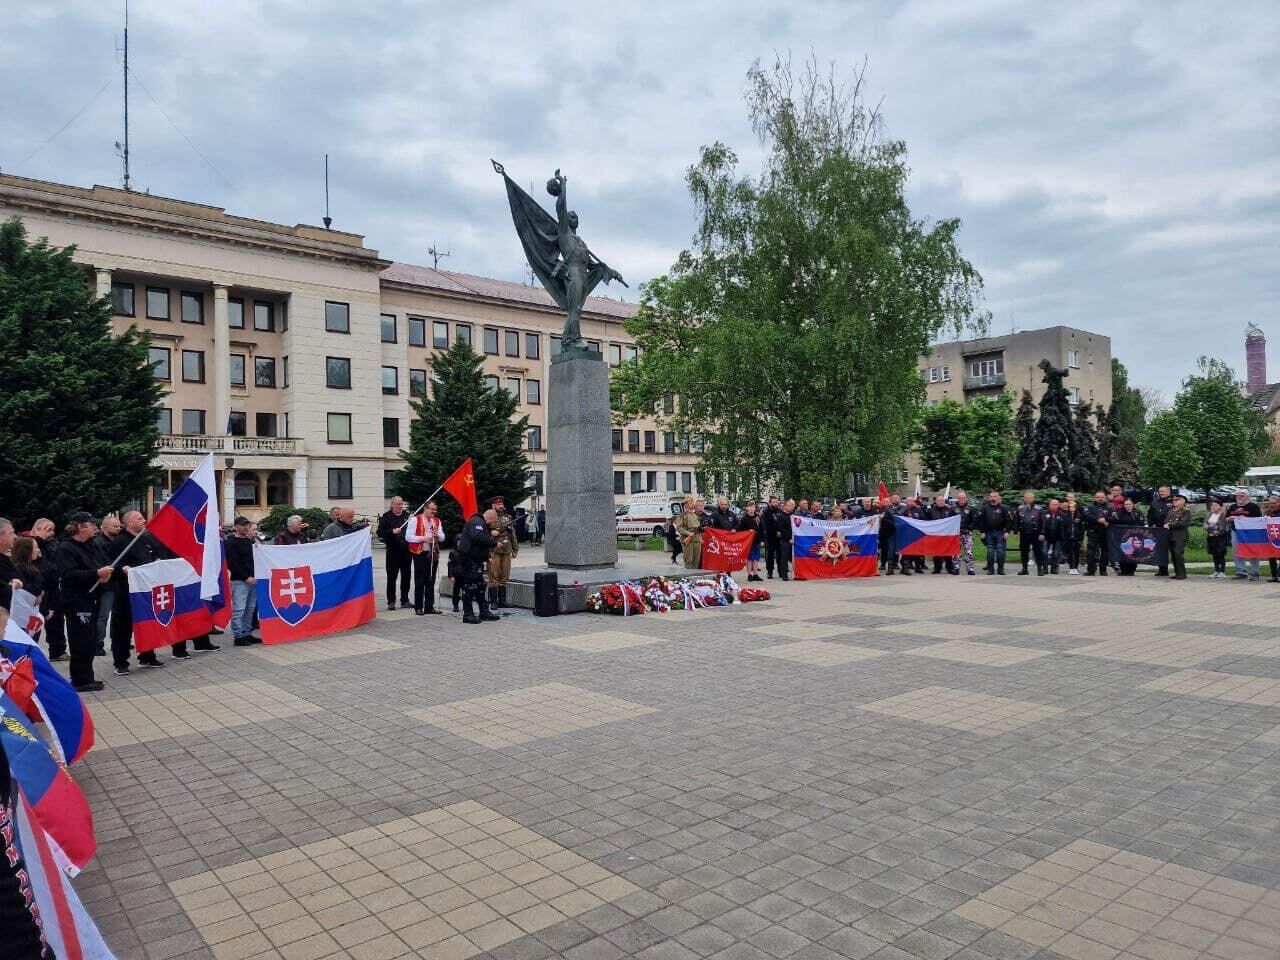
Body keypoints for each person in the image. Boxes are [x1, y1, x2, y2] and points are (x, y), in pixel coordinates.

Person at [56, 512, 112, 691]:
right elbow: (69, 575)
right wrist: (95, 573)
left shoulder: (90, 545)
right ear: (80, 527)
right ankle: (80, 680)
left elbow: (99, 564)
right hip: (76, 601)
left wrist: (103, 575)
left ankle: (87, 677)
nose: (95, 528)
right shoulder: (66, 548)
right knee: (80, 640)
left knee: (89, 640)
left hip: (91, 597)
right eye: (91, 524)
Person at [456, 508, 501, 624]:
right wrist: (494, 543)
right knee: (470, 586)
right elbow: (478, 537)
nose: (491, 524)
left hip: (476, 559)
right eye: (492, 521)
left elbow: (478, 544)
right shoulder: (477, 521)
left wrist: (486, 557)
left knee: (480, 586)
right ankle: (468, 614)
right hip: (469, 559)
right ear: (490, 518)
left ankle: (484, 611)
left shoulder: (481, 523)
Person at [29, 518, 65, 660]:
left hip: (53, 586)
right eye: (48, 529)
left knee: (57, 619)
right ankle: (30, 653)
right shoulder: (30, 543)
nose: (52, 533)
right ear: (37, 529)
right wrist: (39, 539)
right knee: (36, 622)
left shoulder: (53, 543)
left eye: (53, 529)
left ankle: (58, 650)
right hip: (38, 588)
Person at [405, 501, 445, 615]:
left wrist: (438, 535)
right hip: (419, 553)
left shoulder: (437, 521)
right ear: (425, 508)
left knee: (430, 580)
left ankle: (429, 606)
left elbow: (442, 537)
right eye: (431, 509)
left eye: (435, 510)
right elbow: (408, 537)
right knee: (420, 580)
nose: (433, 512)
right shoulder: (415, 519)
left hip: (432, 553)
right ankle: (418, 607)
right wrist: (423, 538)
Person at [92, 513, 124, 654]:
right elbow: (102, 563)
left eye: (119, 525)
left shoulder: (118, 541)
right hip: (107, 585)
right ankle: (98, 644)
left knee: (119, 614)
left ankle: (118, 641)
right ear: (104, 527)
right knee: (103, 615)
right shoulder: (98, 543)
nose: (118, 528)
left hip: (118, 583)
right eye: (115, 526)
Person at [226, 517, 261, 645]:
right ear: (236, 526)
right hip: (239, 581)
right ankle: (238, 636)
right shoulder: (231, 542)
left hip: (252, 580)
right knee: (239, 609)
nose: (246, 528)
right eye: (243, 525)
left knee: (250, 609)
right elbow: (232, 564)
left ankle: (247, 632)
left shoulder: (248, 541)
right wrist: (246, 577)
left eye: (247, 525)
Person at [376, 496, 413, 610]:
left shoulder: (407, 516)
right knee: (392, 577)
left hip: (406, 550)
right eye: (397, 504)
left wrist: (413, 521)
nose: (400, 506)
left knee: (406, 576)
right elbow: (379, 532)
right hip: (393, 551)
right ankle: (391, 601)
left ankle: (405, 600)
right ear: (392, 505)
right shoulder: (386, 517)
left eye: (401, 504)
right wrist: (392, 531)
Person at [485, 496, 518, 609]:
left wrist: (515, 548)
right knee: (494, 576)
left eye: (501, 503)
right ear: (493, 505)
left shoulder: (507, 518)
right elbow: (482, 533)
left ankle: (502, 601)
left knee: (504, 576)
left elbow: (512, 534)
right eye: (498, 504)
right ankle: (493, 601)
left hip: (506, 549)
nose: (501, 505)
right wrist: (491, 532)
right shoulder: (488, 517)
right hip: (493, 550)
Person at [1225, 490, 1262, 581]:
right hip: (1235, 531)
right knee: (1237, 551)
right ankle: (1241, 572)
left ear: (1247, 496)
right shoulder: (1233, 506)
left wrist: (1245, 519)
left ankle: (1255, 573)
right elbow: (1226, 518)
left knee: (1252, 551)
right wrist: (1230, 518)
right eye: (1238, 495)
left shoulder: (1253, 507)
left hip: (1249, 532)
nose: (1239, 497)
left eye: (1242, 495)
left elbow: (1258, 519)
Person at [978, 491, 1013, 575]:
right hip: (988, 533)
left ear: (998, 497)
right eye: (991, 496)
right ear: (989, 498)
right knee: (990, 552)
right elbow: (981, 521)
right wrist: (982, 532)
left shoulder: (1004, 508)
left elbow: (1009, 520)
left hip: (1001, 533)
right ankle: (990, 569)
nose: (992, 498)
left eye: (994, 496)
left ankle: (1000, 569)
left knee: (1001, 552)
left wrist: (1007, 532)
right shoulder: (984, 508)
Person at [1083, 491, 1115, 576]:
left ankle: (1103, 570)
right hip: (1093, 532)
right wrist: (1098, 519)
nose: (1100, 499)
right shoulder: (1089, 506)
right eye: (1098, 497)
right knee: (1091, 552)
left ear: (1105, 498)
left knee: (1105, 552)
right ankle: (1091, 570)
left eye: (1102, 497)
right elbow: (1087, 516)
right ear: (1094, 498)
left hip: (1105, 532)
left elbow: (1114, 517)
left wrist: (1106, 519)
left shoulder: (1110, 507)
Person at [1015, 491, 1046, 576]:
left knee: (1038, 552)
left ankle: (1040, 569)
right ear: (1024, 499)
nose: (1028, 500)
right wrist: (1017, 532)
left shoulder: (1039, 509)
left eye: (1030, 498)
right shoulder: (1020, 508)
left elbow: (1043, 522)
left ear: (1033, 499)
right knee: (1024, 552)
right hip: (1024, 533)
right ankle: (1025, 569)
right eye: (1026, 498)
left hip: (1036, 533)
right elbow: (1017, 521)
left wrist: (1042, 533)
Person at [926, 495, 957, 575]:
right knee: (936, 553)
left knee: (948, 552)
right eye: (939, 500)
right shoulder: (931, 511)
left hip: (947, 535)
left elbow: (956, 518)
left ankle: (950, 568)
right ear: (936, 502)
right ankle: (937, 568)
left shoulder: (950, 510)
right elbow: (926, 520)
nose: (941, 502)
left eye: (942, 500)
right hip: (935, 535)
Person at [1113, 498, 1144, 576]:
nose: (1128, 506)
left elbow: (1141, 523)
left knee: (1133, 553)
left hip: (1134, 536)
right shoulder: (1120, 513)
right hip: (1123, 537)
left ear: (1132, 505)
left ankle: (1132, 570)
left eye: (1129, 504)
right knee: (1123, 553)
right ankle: (1123, 570)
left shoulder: (1137, 513)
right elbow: (1115, 521)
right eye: (1126, 504)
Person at [1147, 485, 1174, 577]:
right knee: (1160, 550)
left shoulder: (1174, 501)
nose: (1161, 493)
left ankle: (1179, 570)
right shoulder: (1155, 502)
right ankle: (1163, 570)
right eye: (1160, 491)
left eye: (1163, 491)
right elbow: (1150, 514)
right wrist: (1152, 525)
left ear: (1169, 491)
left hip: (1171, 529)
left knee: (1174, 550)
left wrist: (1170, 524)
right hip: (1158, 530)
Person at [1164, 494, 1191, 580]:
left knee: (1178, 554)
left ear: (1183, 501)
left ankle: (1182, 574)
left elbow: (1182, 523)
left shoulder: (1186, 511)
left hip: (1180, 535)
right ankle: (1177, 572)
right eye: (1174, 500)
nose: (1174, 502)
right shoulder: (1171, 510)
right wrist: (1167, 524)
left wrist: (1170, 524)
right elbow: (1166, 520)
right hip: (1171, 535)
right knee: (1173, 555)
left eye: (1177, 500)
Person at [738, 501, 765, 581]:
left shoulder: (758, 517)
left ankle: (755, 574)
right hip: (748, 541)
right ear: (747, 508)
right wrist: (748, 531)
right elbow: (740, 530)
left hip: (757, 540)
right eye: (750, 507)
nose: (751, 509)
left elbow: (762, 529)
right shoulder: (744, 519)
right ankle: (749, 574)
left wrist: (762, 540)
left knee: (756, 558)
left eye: (753, 507)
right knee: (749, 558)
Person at [674, 497, 704, 569]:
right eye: (689, 502)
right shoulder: (683, 515)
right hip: (688, 541)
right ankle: (687, 578)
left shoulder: (695, 515)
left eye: (691, 502)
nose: (691, 504)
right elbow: (679, 528)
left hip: (697, 540)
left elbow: (697, 528)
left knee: (696, 561)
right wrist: (688, 533)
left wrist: (700, 538)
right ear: (685, 505)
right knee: (689, 561)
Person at [954, 490, 977, 575]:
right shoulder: (953, 509)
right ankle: (956, 568)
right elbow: (949, 520)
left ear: (965, 498)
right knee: (956, 551)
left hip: (967, 533)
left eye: (963, 498)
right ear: (957, 498)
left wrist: (970, 528)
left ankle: (970, 569)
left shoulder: (971, 508)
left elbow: (974, 520)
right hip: (956, 533)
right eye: (960, 498)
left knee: (969, 551)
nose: (961, 499)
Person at [1204, 500, 1229, 578]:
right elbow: (1204, 524)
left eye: (1216, 505)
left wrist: (1210, 527)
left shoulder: (1223, 515)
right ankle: (1216, 570)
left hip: (1220, 537)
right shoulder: (1210, 514)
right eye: (1212, 505)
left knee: (1220, 554)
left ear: (1220, 507)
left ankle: (1222, 571)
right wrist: (1212, 528)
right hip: (1211, 537)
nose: (1213, 507)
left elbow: (1222, 528)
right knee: (1214, 554)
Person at [1041, 498, 1066, 574]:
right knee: (1044, 552)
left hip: (1058, 537)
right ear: (1049, 505)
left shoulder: (1062, 515)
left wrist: (1063, 537)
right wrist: (1041, 533)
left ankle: (1054, 568)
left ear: (1058, 505)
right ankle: (1045, 568)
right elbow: (1040, 525)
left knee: (1056, 553)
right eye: (1052, 504)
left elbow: (1064, 527)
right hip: (1046, 536)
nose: (1054, 506)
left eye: (1056, 504)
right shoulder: (1044, 513)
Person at [1060, 499, 1085, 575]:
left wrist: (1080, 538)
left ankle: (1076, 568)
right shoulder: (1065, 516)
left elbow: (1082, 529)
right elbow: (1063, 528)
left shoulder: (1080, 517)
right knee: (1070, 553)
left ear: (1076, 508)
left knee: (1077, 553)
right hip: (1068, 538)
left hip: (1077, 538)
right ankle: (1071, 567)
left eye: (1073, 507)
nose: (1072, 508)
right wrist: (1064, 537)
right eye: (1070, 507)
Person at [878, 497, 898, 575]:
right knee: (884, 550)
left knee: (891, 550)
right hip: (882, 533)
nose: (886, 503)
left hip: (891, 533)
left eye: (887, 501)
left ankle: (890, 568)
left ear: (890, 502)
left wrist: (884, 519)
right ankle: (883, 564)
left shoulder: (893, 511)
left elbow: (894, 522)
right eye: (884, 501)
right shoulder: (880, 510)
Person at [1265, 496, 1280, 583]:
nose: (1272, 505)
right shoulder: (1268, 512)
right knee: (1271, 556)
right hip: (1272, 537)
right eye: (1270, 503)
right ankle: (1274, 576)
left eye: (1274, 503)